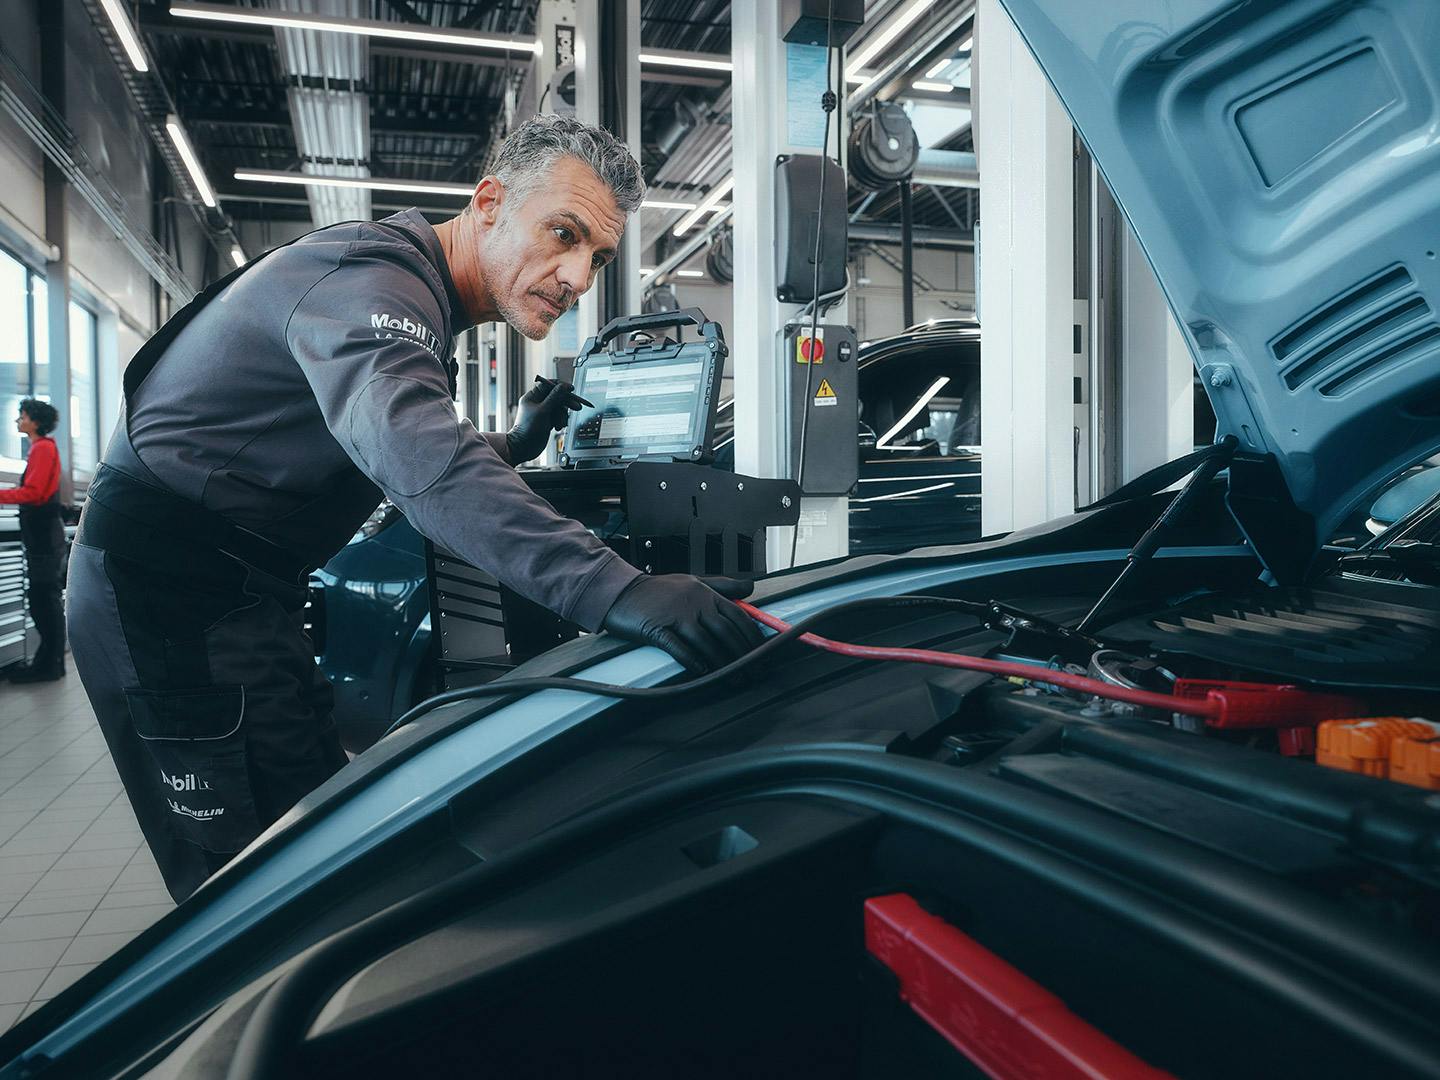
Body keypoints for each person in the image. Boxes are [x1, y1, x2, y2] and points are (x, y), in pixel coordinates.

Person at [67, 115, 762, 902]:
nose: (575, 276)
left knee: (308, 837)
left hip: (236, 595)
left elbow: (380, 446)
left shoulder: (410, 297)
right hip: (165, 601)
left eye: (596, 257)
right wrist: (619, 590)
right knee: (252, 889)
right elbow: (419, 459)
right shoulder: (373, 283)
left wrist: (511, 444)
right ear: (490, 201)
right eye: (562, 234)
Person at [0, 399, 67, 682]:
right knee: (44, 598)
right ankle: (49, 662)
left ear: (35, 422)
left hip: (42, 535)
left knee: (42, 600)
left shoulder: (41, 448)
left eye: (22, 416)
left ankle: (48, 665)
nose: (18, 420)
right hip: (44, 534)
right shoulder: (43, 448)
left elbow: (35, 492)